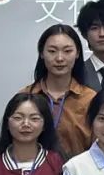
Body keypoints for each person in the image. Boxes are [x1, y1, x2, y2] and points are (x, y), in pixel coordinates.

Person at [22, 23, 95, 159]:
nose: (60, 58)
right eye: (52, 51)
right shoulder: (25, 97)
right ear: (42, 53)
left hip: (79, 171)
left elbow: (99, 147)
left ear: (77, 53)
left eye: (67, 51)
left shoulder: (90, 99)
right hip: (32, 170)